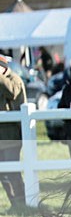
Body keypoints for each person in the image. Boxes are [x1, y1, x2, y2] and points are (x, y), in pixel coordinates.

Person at [0, 56, 26, 209]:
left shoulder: (14, 78)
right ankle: (14, 203)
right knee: (2, 174)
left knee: (13, 172)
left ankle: (22, 202)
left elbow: (13, 92)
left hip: (12, 136)